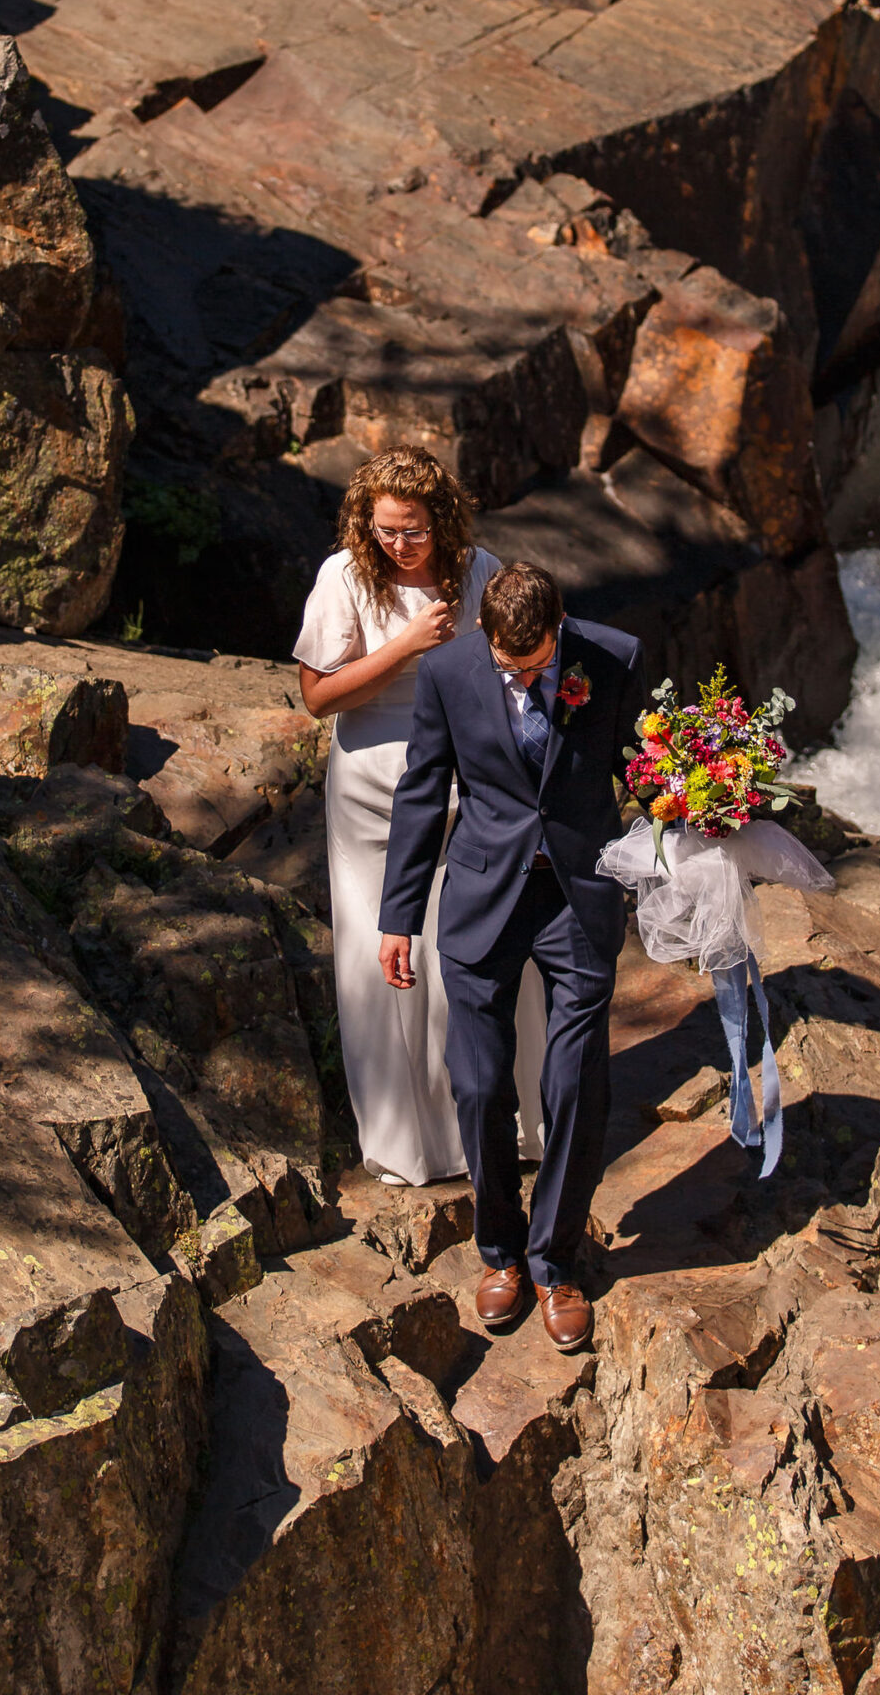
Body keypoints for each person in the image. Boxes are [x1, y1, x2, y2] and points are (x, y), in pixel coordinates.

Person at [378, 560, 642, 1353]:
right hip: (482, 897)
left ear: (558, 630)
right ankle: (498, 1252)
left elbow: (641, 760)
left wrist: (702, 804)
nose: (515, 677)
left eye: (531, 667)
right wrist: (398, 915)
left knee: (572, 1083)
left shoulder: (615, 657)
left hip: (578, 893)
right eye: (504, 663)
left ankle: (556, 1261)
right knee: (480, 1083)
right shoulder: (448, 669)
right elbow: (423, 787)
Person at [294, 447, 545, 1187]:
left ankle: (507, 1126)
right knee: (385, 963)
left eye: (412, 530)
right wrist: (406, 647)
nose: (397, 544)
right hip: (372, 789)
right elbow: (317, 696)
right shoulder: (343, 577)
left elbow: (513, 670)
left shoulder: (477, 572)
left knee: (476, 951)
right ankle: (409, 1140)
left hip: (463, 788)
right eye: (385, 530)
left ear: (443, 520)